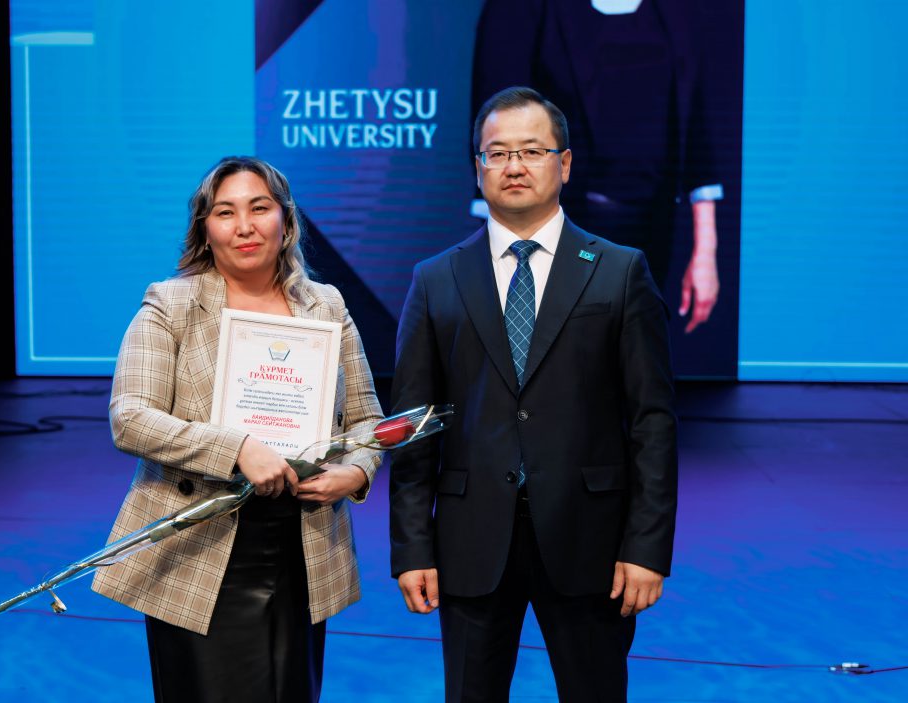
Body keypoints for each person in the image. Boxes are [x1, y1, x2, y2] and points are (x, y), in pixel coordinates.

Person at [390, 88, 678, 702]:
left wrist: (647, 548)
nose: (514, 166)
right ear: (478, 168)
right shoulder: (436, 279)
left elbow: (651, 422)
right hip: (470, 542)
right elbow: (415, 426)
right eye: (497, 153)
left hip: (591, 542)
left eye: (531, 151)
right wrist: (411, 548)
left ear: (564, 163)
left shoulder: (619, 270)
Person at [93, 156, 383, 703]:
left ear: (286, 221)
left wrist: (357, 473)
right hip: (198, 551)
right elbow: (129, 417)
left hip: (301, 548)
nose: (245, 226)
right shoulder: (171, 303)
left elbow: (367, 417)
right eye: (225, 212)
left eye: (260, 208)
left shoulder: (326, 305)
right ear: (205, 229)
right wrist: (237, 448)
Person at [471, 0, 726, 333]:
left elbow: (696, 128)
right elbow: (498, 131)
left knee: (636, 355)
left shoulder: (676, 10)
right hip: (556, 233)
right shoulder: (519, 9)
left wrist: (706, 251)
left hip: (654, 235)